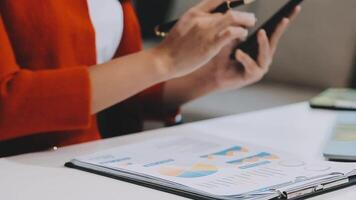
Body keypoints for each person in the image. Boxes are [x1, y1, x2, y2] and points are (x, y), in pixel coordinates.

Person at [0, 0, 300, 157]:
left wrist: (208, 76)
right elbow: (7, 104)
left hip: (94, 165)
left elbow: (121, 94)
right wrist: (164, 59)